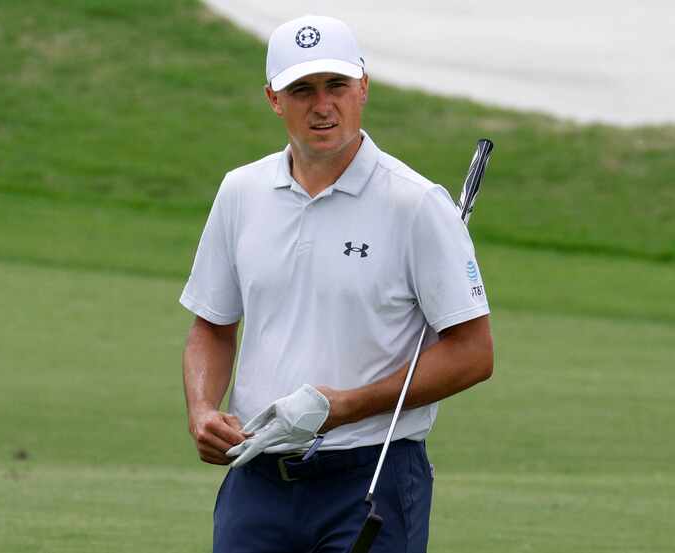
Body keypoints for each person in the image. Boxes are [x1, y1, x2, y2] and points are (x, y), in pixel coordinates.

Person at [180, 14, 493, 553]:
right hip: (257, 480)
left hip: (372, 478)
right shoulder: (241, 193)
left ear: (363, 88)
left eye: (336, 86)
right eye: (301, 90)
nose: (322, 105)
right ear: (274, 99)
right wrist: (204, 409)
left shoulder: (415, 204)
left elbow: (473, 353)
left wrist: (346, 405)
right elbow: (212, 325)